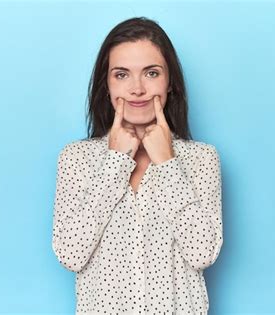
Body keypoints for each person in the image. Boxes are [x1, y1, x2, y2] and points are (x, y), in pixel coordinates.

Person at [51, 16, 223, 315]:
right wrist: (115, 162)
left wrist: (168, 163)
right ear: (106, 85)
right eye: (121, 75)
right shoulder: (76, 158)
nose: (137, 89)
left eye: (151, 73)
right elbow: (70, 254)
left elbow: (202, 253)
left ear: (170, 84)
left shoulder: (202, 159)